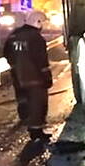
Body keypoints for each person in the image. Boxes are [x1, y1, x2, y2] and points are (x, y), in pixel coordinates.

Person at [3, 10, 52, 140]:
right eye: (42, 23)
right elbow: (41, 60)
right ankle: (36, 131)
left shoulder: (14, 35)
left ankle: (26, 118)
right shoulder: (36, 38)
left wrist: (15, 66)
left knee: (24, 99)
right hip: (35, 78)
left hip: (18, 76)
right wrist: (47, 76)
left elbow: (6, 53)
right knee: (38, 103)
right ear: (38, 22)